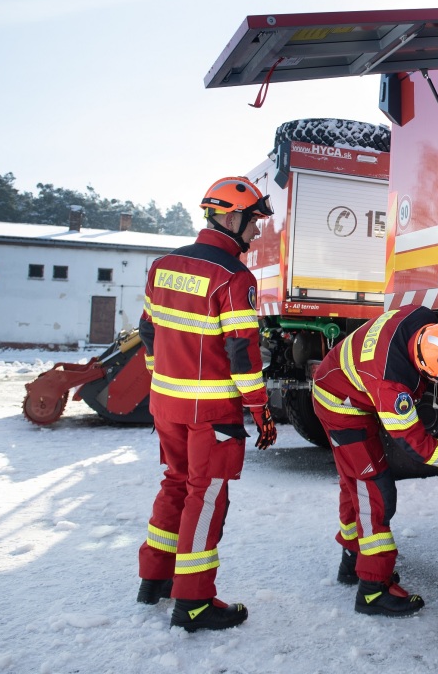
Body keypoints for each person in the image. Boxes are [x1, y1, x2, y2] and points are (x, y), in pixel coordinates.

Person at [135, 175, 278, 632]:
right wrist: (260, 408)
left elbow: (147, 331)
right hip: (211, 413)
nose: (258, 233)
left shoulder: (162, 265)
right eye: (255, 222)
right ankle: (193, 601)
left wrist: (162, 379)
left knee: (175, 484)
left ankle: (153, 579)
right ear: (232, 217)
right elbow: (242, 351)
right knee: (206, 496)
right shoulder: (234, 276)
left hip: (166, 406)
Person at [312, 305, 438, 616]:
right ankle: (373, 590)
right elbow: (421, 448)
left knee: (356, 482)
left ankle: (352, 561)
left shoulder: (422, 318)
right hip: (340, 405)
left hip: (341, 383)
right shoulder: (391, 386)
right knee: (375, 491)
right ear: (425, 368)